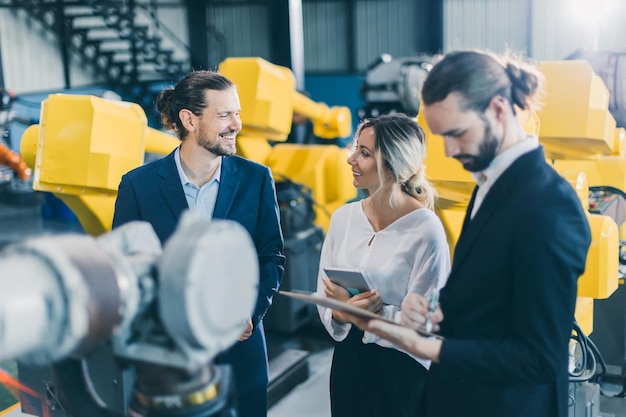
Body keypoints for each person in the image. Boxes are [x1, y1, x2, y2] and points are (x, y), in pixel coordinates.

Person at [349, 50, 592, 417]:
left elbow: (540, 358)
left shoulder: (548, 206)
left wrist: (430, 347)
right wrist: (435, 310)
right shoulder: (488, 186)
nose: (449, 150)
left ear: (497, 109)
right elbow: (489, 295)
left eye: (457, 133)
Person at [112, 70, 286, 417]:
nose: (236, 124)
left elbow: (271, 256)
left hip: (241, 353)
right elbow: (124, 270)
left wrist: (250, 310)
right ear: (189, 120)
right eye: (224, 115)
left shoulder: (256, 179)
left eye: (237, 113)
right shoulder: (139, 186)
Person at [316, 113, 450, 417]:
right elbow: (325, 294)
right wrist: (338, 312)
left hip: (401, 370)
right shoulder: (343, 219)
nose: (351, 159)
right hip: (349, 363)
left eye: (364, 153)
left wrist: (373, 316)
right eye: (355, 149)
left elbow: (429, 324)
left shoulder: (425, 230)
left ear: (394, 165)